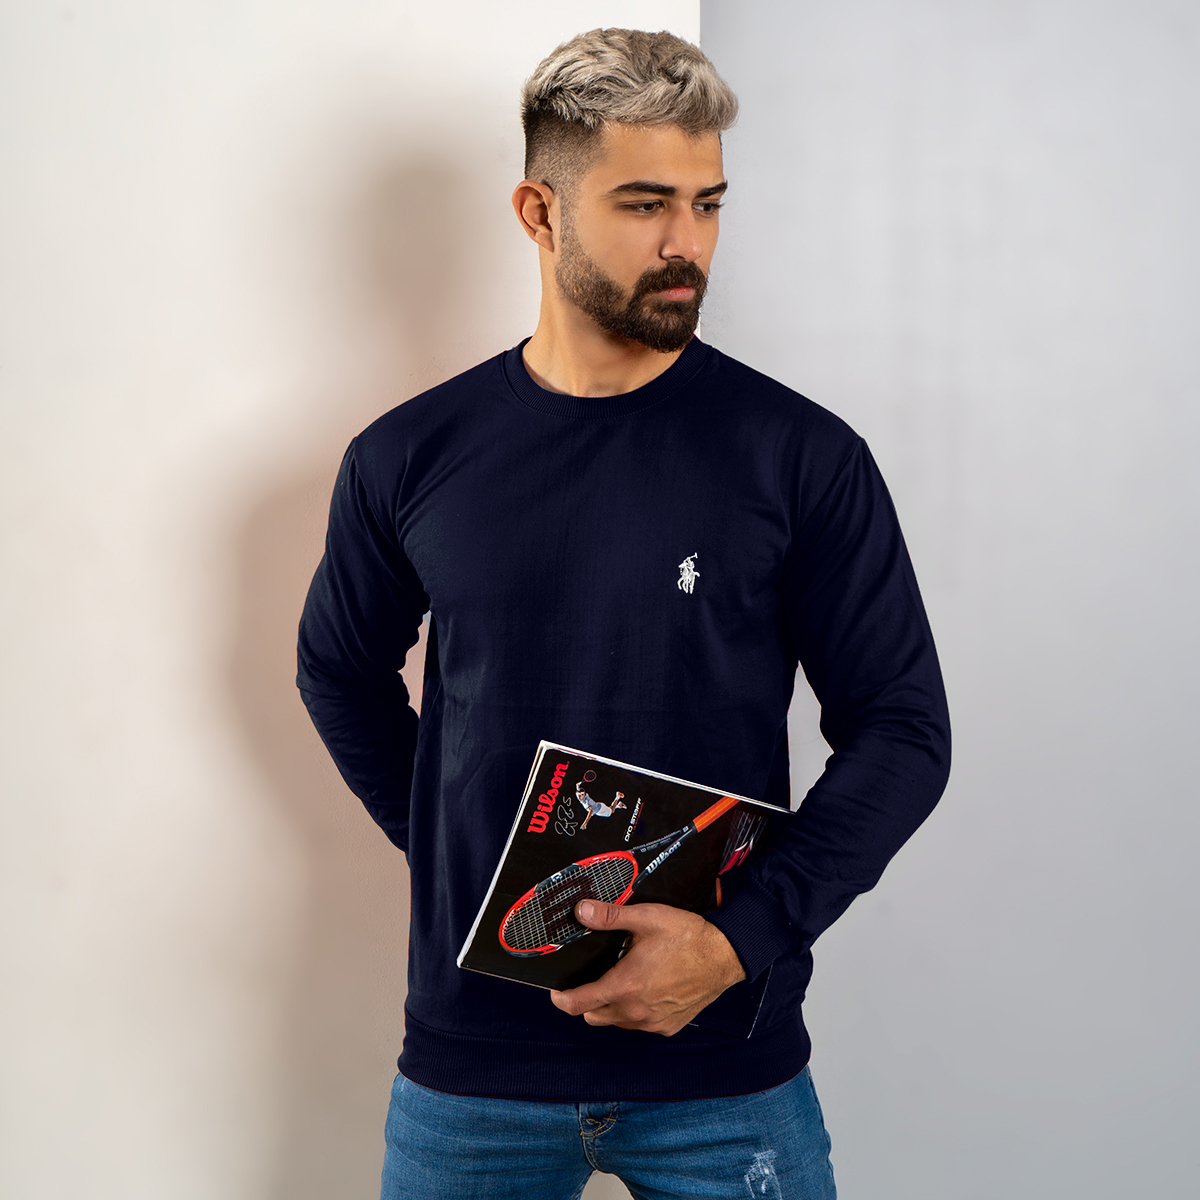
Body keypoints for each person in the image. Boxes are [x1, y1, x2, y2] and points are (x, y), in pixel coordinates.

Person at [297, 27, 950, 1200]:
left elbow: (903, 729)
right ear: (539, 213)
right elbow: (338, 669)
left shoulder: (800, 457)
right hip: (473, 1072)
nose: (685, 243)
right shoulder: (409, 456)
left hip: (724, 1069)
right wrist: (461, 857)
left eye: (707, 204)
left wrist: (740, 940)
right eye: (646, 204)